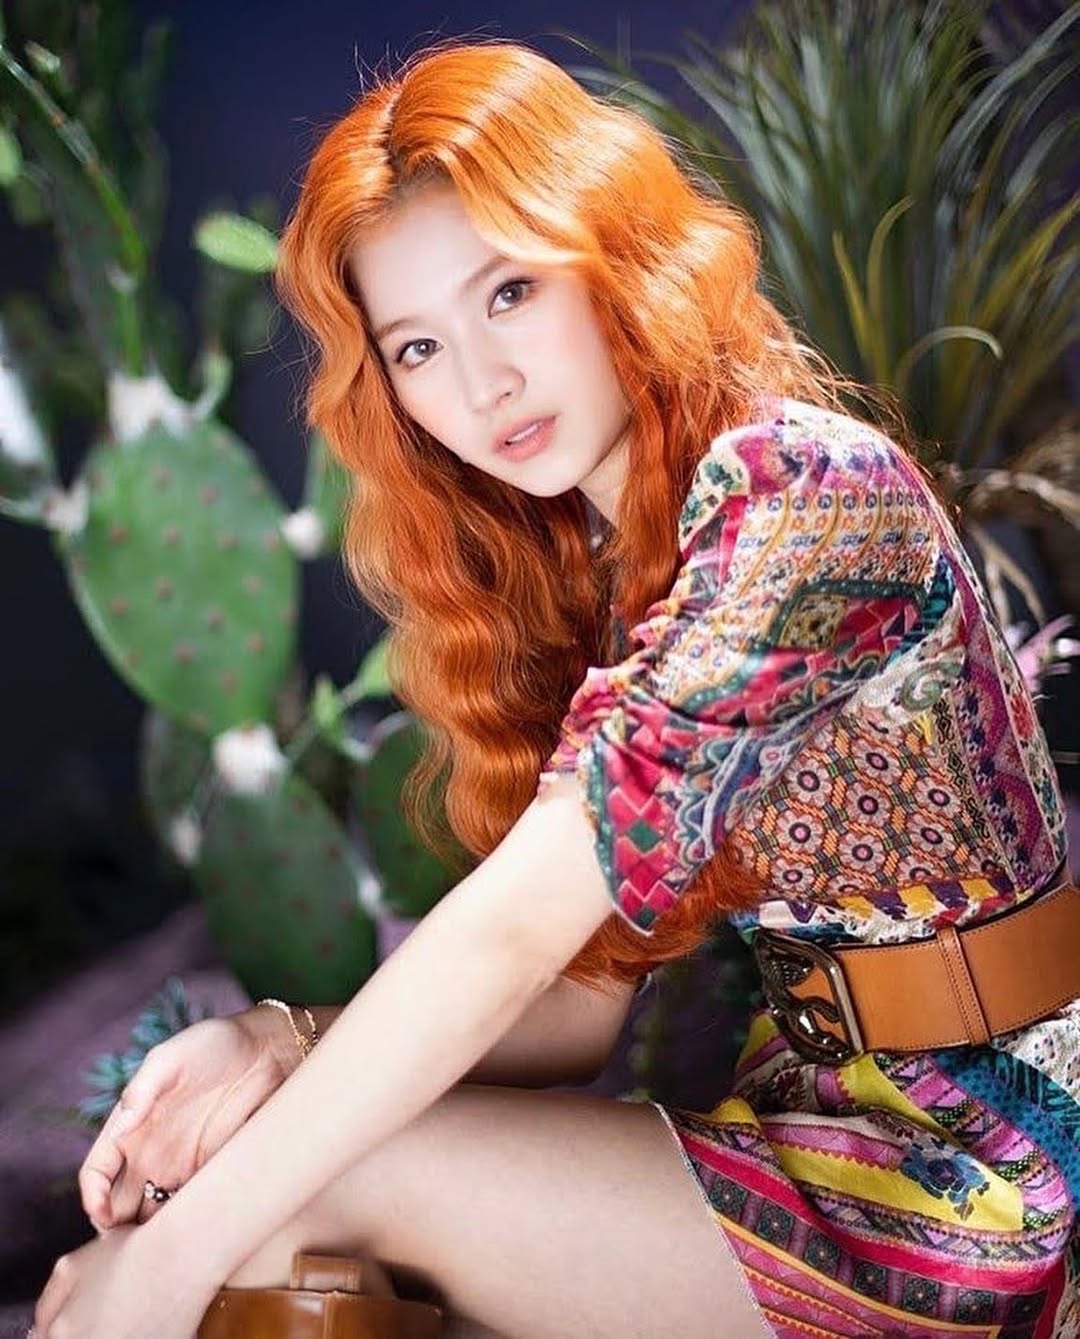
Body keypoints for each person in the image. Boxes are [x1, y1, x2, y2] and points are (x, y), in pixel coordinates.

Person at [32, 36, 1078, 1339]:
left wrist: (165, 1270)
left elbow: (518, 933)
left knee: (286, 1204)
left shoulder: (804, 495)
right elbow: (578, 1003)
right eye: (418, 347)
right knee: (274, 1184)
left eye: (511, 292)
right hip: (807, 1130)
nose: (483, 384)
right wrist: (280, 1043)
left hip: (982, 1176)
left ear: (611, 256)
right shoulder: (608, 570)